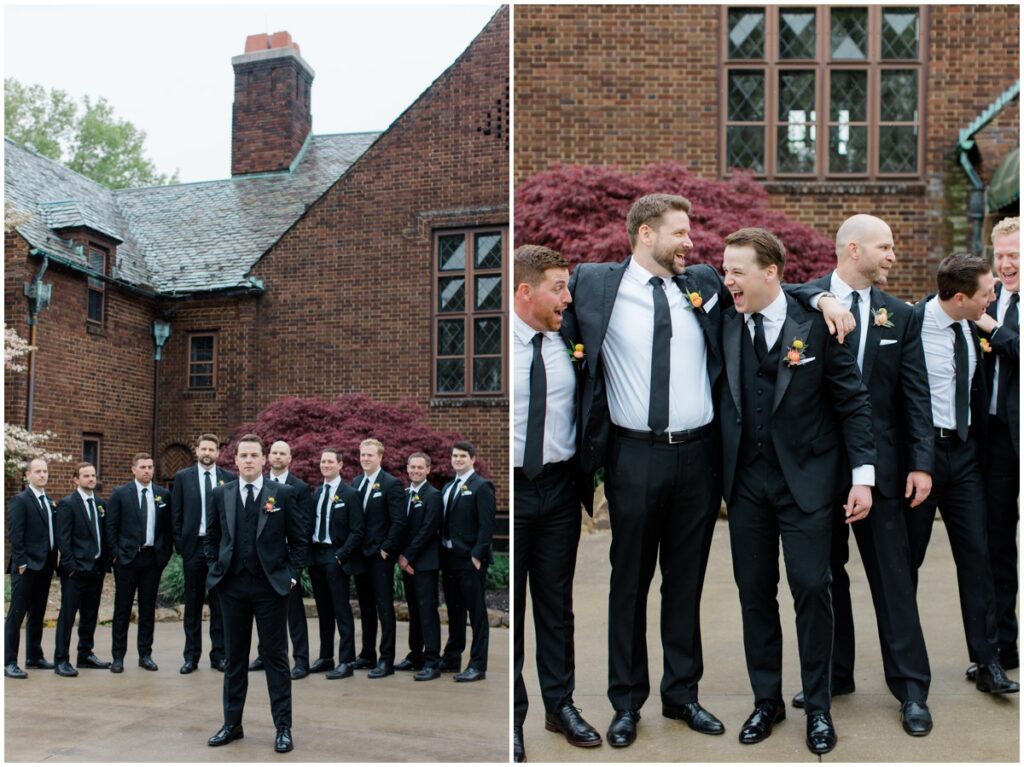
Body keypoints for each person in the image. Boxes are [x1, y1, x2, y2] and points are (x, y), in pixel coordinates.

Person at [562, 194, 851, 748]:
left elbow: (771, 289)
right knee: (629, 583)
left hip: (700, 458)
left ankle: (682, 695)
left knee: (685, 583)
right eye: (680, 232)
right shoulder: (596, 284)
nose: (692, 243)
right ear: (645, 234)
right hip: (631, 456)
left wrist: (821, 301)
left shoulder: (702, 285)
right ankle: (626, 703)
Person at [718, 227, 876, 755]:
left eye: (737, 271)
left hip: (807, 483)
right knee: (754, 593)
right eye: (725, 270)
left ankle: (820, 704)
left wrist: (863, 477)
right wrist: (822, 290)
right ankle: (767, 701)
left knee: (812, 588)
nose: (727, 280)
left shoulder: (817, 323)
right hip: (745, 486)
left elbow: (854, 404)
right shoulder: (724, 314)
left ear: (770, 274)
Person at [800, 215, 935, 736]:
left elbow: (915, 396)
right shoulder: (806, 302)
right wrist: (819, 299)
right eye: (886, 247)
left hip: (882, 471)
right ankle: (835, 675)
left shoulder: (899, 315)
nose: (893, 255)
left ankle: (911, 690)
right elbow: (784, 285)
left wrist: (922, 464)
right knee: (826, 577)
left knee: (892, 580)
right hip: (817, 469)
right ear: (853, 250)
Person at [906, 254, 1019, 696]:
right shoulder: (910, 324)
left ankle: (988, 663)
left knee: (978, 558)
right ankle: (909, 669)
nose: (994, 297)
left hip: (967, 456)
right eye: (987, 293)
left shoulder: (976, 326)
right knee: (906, 563)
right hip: (922, 458)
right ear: (959, 298)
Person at [513, 245, 600, 762]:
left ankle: (559, 705)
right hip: (515, 492)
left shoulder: (570, 336)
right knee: (517, 614)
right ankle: (512, 719)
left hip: (561, 491)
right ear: (526, 292)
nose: (569, 298)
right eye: (558, 288)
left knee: (555, 607)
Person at [204, 434, 307, 753]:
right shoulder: (221, 494)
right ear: (234, 461)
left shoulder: (283, 494)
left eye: (254, 455)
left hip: (270, 588)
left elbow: (300, 541)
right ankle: (232, 724)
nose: (248, 460)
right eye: (243, 455)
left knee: (276, 659)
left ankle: (283, 728)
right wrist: (216, 569)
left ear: (264, 460)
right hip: (232, 588)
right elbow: (212, 537)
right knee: (234, 658)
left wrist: (290, 577)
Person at [974, 216, 1020, 674]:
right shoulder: (994, 299)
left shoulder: (993, 315)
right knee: (996, 545)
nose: (1005, 265)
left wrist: (991, 327)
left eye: (1014, 256)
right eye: (1000, 255)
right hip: (997, 441)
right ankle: (1002, 650)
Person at [171, 433, 236, 674]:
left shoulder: (228, 478)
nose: (207, 453)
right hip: (194, 548)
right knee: (193, 602)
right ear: (196, 451)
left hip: (219, 548)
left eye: (212, 449)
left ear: (218, 453)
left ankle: (218, 655)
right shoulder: (182, 478)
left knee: (219, 602)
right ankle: (191, 656)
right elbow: (175, 515)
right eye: (203, 449)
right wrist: (181, 546)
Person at [251, 440, 315, 679]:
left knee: (294, 613)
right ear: (268, 457)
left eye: (283, 453)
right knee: (262, 611)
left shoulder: (298, 488)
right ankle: (264, 654)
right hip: (262, 560)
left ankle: (300, 660)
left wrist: (295, 567)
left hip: (286, 561)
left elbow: (305, 526)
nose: (278, 457)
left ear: (290, 459)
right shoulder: (261, 485)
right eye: (274, 453)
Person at [105, 452, 173, 673]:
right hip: (127, 559)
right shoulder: (120, 494)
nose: (147, 471)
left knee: (147, 610)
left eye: (150, 467)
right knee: (122, 609)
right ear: (133, 470)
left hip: (152, 559)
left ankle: (145, 654)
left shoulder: (163, 495)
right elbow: (111, 526)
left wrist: (163, 556)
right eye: (143, 467)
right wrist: (116, 555)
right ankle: (118, 656)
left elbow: (167, 529)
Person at [439, 441, 495, 683]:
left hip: (469, 560)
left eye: (463, 456)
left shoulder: (481, 486)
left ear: (473, 459)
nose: (458, 459)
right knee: (454, 611)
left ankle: (477, 665)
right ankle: (452, 657)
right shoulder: (448, 487)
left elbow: (487, 524)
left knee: (477, 614)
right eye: (455, 456)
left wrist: (477, 555)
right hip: (449, 558)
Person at [307, 447, 364, 680]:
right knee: (323, 610)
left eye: (330, 461)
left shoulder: (350, 494)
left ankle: (347, 661)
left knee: (341, 610)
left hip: (336, 556)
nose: (326, 465)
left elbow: (357, 530)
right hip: (317, 556)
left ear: (340, 465)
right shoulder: (317, 492)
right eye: (323, 461)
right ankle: (326, 656)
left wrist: (341, 555)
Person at [351, 438, 406, 678]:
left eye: (370, 455)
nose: (365, 459)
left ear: (380, 457)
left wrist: (386, 549)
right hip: (360, 556)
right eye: (362, 455)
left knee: (384, 608)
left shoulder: (391, 484)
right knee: (365, 607)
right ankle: (367, 654)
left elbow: (398, 521)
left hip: (380, 556)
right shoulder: (356, 482)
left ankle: (386, 660)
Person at [53, 462, 112, 676]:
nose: (91, 479)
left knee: (90, 614)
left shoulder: (99, 503)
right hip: (75, 571)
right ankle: (61, 660)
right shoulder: (68, 504)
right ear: (76, 479)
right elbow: (63, 538)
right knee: (68, 616)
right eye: (86, 476)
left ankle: (85, 654)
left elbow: (103, 535)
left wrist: (104, 563)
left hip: (95, 569)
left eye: (93, 475)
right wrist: (70, 567)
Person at [5, 457, 58, 678]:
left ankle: (34, 657)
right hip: (26, 567)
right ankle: (8, 662)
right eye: (38, 471)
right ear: (28, 475)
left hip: (45, 566)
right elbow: (15, 534)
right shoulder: (20, 500)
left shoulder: (49, 501)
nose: (42, 475)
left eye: (45, 471)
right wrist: (22, 563)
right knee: (16, 615)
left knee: (37, 613)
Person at [396, 452, 444, 681]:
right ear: (407, 469)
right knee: (413, 611)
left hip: (424, 564)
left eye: (419, 467)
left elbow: (427, 530)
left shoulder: (433, 495)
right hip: (407, 563)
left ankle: (432, 660)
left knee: (427, 613)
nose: (415, 471)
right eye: (411, 467)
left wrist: (408, 557)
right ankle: (415, 654)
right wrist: (401, 558)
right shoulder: (405, 494)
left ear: (428, 469)